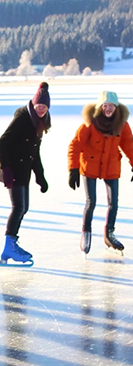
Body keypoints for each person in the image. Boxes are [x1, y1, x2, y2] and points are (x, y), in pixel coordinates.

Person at [68, 90, 133, 254]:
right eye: (105, 105)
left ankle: (109, 234)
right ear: (100, 107)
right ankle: (86, 232)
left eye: (111, 105)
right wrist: (73, 169)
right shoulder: (90, 124)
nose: (108, 109)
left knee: (114, 203)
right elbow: (75, 146)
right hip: (89, 166)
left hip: (111, 166)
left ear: (116, 107)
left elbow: (129, 145)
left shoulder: (122, 124)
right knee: (91, 202)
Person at [0, 82, 51, 264]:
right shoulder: (23, 118)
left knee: (23, 208)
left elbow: (34, 152)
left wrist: (40, 176)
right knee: (18, 208)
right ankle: (8, 248)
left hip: (23, 169)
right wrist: (6, 169)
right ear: (33, 104)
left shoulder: (40, 122)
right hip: (12, 169)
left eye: (45, 107)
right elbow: (1, 143)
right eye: (39, 106)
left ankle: (10, 246)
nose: (41, 109)